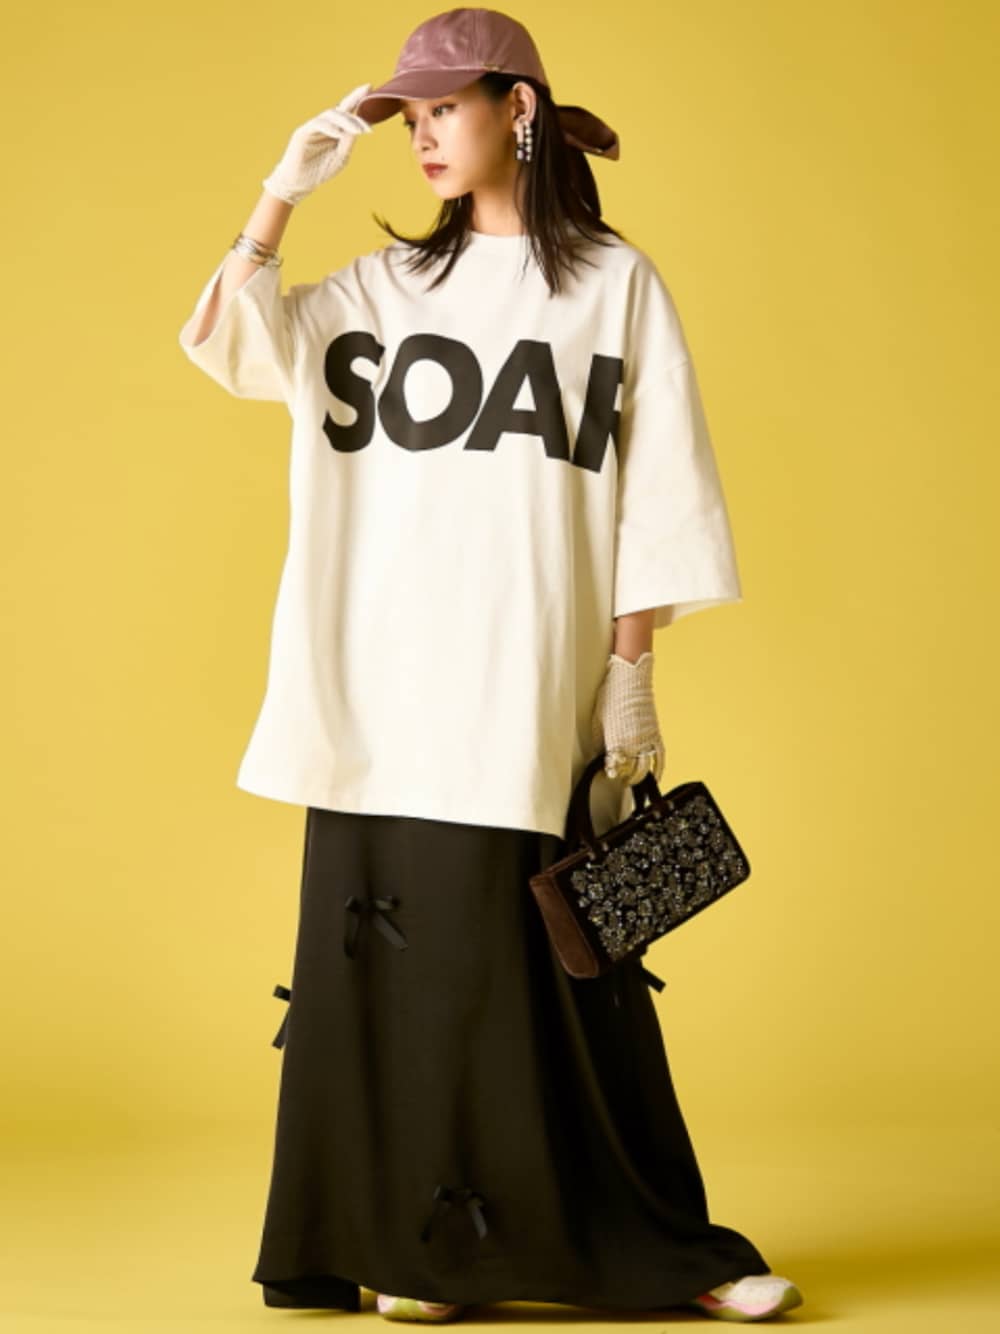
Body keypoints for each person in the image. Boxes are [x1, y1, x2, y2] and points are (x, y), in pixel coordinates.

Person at [176, 6, 804, 1326]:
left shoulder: (614, 286)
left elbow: (660, 490)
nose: (420, 137)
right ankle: (426, 1257)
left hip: (524, 683)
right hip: (375, 685)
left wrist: (631, 669)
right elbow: (233, 343)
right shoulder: (378, 290)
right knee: (399, 985)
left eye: (443, 110)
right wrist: (280, 197)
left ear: (518, 108)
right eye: (407, 117)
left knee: (562, 979)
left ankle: (667, 1252)